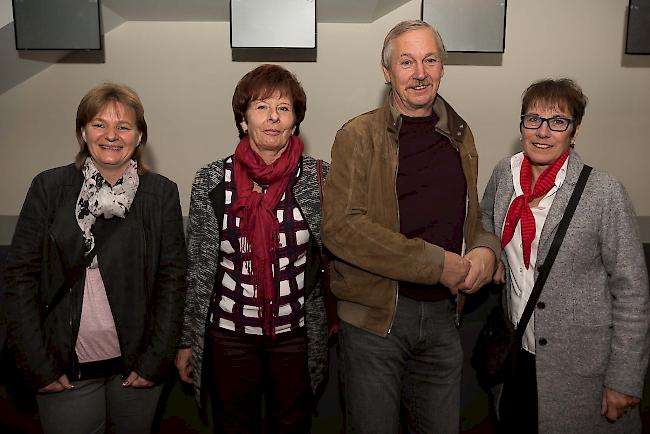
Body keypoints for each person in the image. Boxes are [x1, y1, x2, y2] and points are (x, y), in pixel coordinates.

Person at [321, 20, 500, 433]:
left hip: (442, 318)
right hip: (375, 320)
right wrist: (436, 264)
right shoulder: (357, 136)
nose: (420, 72)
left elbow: (471, 216)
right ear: (388, 73)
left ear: (441, 68)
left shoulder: (459, 134)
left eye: (430, 60)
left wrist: (485, 250)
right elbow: (341, 229)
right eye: (407, 62)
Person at [2, 83, 187, 434]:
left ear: (139, 135)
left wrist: (155, 362)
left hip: (135, 370)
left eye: (124, 126)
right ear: (82, 131)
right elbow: (19, 279)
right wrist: (38, 364)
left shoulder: (161, 193)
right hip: (63, 368)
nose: (111, 135)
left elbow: (173, 280)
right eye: (99, 124)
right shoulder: (49, 188)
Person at [481, 78, 650, 433]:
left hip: (582, 370)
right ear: (522, 124)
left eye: (558, 121)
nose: (543, 131)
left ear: (575, 131)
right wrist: (491, 255)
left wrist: (624, 378)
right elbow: (485, 224)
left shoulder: (603, 193)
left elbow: (632, 292)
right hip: (517, 359)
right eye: (533, 119)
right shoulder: (504, 176)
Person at [175, 64, 328, 433]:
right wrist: (187, 341)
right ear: (243, 120)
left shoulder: (321, 178)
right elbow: (198, 269)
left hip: (295, 335)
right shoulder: (212, 180)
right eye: (261, 107)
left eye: (284, 108)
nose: (273, 117)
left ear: (295, 121)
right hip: (229, 336)